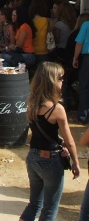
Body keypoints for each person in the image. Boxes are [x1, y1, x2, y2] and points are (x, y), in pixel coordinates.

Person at [19, 62, 80, 221]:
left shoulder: (31, 102)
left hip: (32, 157)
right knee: (49, 209)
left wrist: (59, 144)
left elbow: (41, 132)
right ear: (52, 81)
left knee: (34, 204)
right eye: (60, 78)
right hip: (50, 161)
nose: (62, 82)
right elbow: (70, 141)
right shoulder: (56, 109)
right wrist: (75, 163)